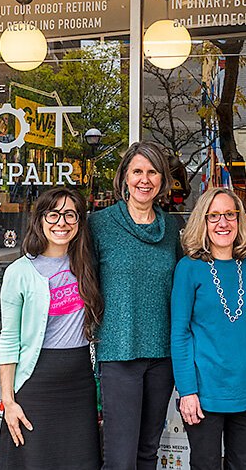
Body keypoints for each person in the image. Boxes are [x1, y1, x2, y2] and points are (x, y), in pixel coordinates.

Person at [171, 187, 246, 470]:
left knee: (242, 464)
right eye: (214, 216)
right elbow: (180, 334)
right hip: (205, 391)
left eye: (230, 215)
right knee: (205, 464)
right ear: (203, 222)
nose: (223, 223)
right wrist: (187, 391)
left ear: (239, 220)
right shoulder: (188, 268)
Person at [89, 141, 181, 469]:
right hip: (119, 352)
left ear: (162, 179)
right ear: (125, 178)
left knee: (147, 450)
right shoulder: (99, 225)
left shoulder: (173, 229)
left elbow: (198, 270)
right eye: (137, 171)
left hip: (163, 355)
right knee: (120, 456)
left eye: (153, 172)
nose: (145, 179)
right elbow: (80, 276)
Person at [0, 187, 103, 470]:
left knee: (80, 461)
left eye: (70, 215)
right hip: (37, 383)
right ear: (40, 220)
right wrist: (8, 400)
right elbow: (8, 339)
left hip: (79, 383)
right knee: (36, 460)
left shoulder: (87, 267)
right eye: (53, 214)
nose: (61, 222)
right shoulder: (19, 272)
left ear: (79, 223)